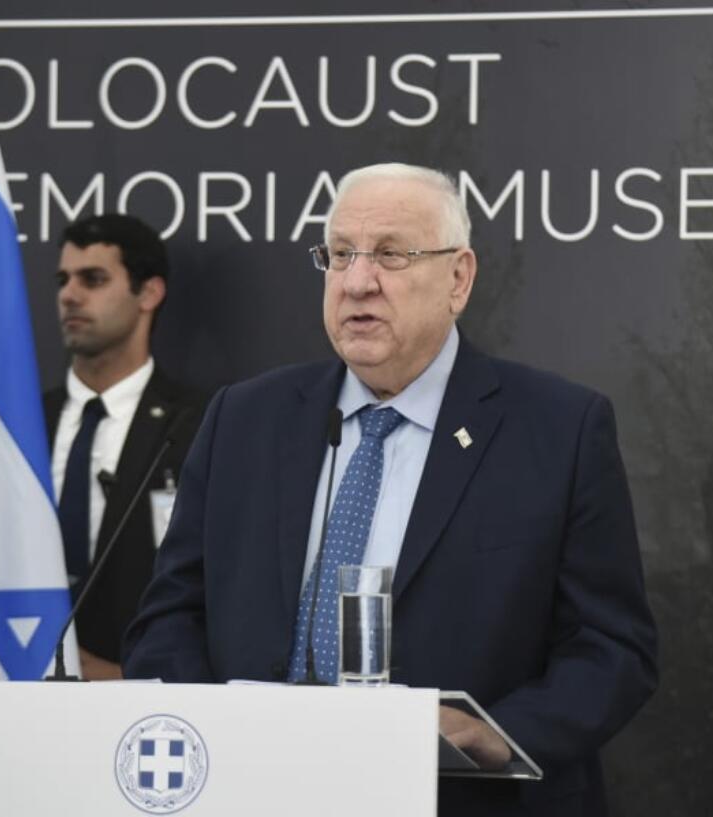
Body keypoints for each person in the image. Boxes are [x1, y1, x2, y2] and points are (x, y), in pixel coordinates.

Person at [122, 164, 657, 815]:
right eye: (340, 254)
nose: (356, 281)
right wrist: (217, 736)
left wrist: (496, 734)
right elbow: (169, 615)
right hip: (255, 794)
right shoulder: (244, 418)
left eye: (391, 254)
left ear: (458, 278)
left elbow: (611, 648)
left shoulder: (557, 428)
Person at [46, 214, 203, 680]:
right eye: (63, 280)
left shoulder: (199, 425)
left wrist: (124, 675)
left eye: (93, 279)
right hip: (12, 694)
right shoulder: (21, 425)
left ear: (149, 293)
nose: (69, 295)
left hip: (142, 700)